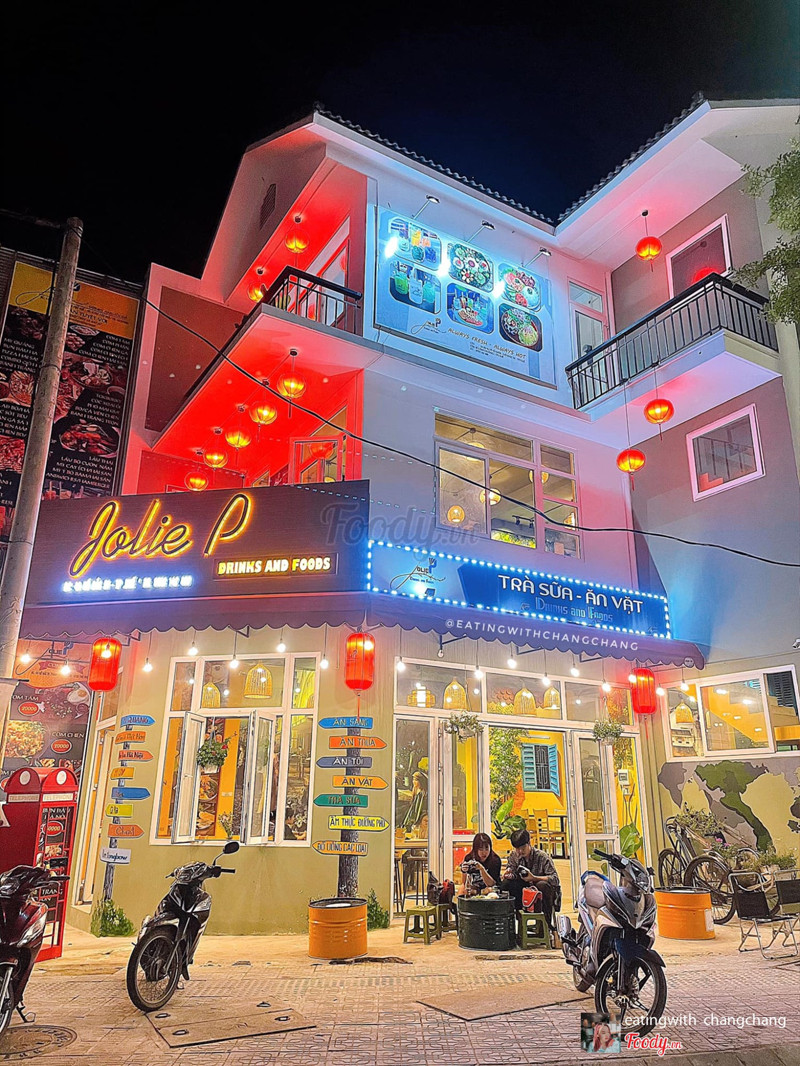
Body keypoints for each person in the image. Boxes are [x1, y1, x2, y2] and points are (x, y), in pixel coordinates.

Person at [502, 827, 561, 928]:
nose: (520, 851)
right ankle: (515, 924)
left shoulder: (542, 857)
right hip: (522, 890)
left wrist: (534, 878)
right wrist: (509, 874)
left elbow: (555, 879)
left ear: (529, 843)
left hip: (541, 891)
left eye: (523, 848)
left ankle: (545, 926)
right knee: (506, 884)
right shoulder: (514, 856)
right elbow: (513, 872)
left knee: (543, 885)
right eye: (517, 849)